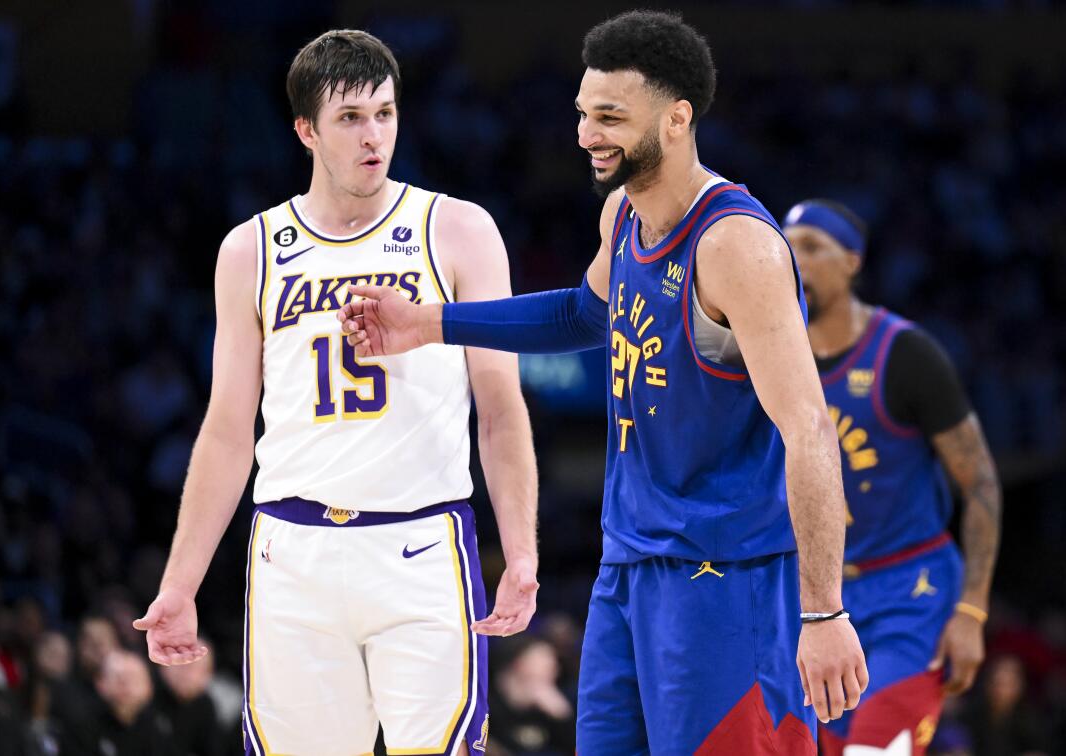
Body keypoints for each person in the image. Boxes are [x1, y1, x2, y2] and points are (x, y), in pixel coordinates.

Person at [339, 11, 867, 753]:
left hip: (730, 579)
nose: (588, 133)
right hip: (630, 567)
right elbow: (584, 313)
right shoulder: (621, 216)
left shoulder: (736, 246)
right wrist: (430, 323)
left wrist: (823, 612)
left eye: (611, 116)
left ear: (677, 119)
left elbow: (809, 428)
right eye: (584, 114)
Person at [132, 29, 539, 756]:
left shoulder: (457, 230)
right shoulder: (250, 249)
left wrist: (522, 551)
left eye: (384, 113)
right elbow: (227, 430)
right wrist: (179, 584)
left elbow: (501, 410)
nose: (373, 135)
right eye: (350, 118)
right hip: (291, 552)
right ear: (305, 130)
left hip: (421, 543)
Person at [782, 199, 1003, 756]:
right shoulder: (768, 355)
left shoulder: (905, 353)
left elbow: (979, 484)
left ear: (853, 262)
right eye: (787, 245)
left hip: (911, 591)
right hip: (815, 595)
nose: (794, 259)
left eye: (812, 247)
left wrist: (972, 611)